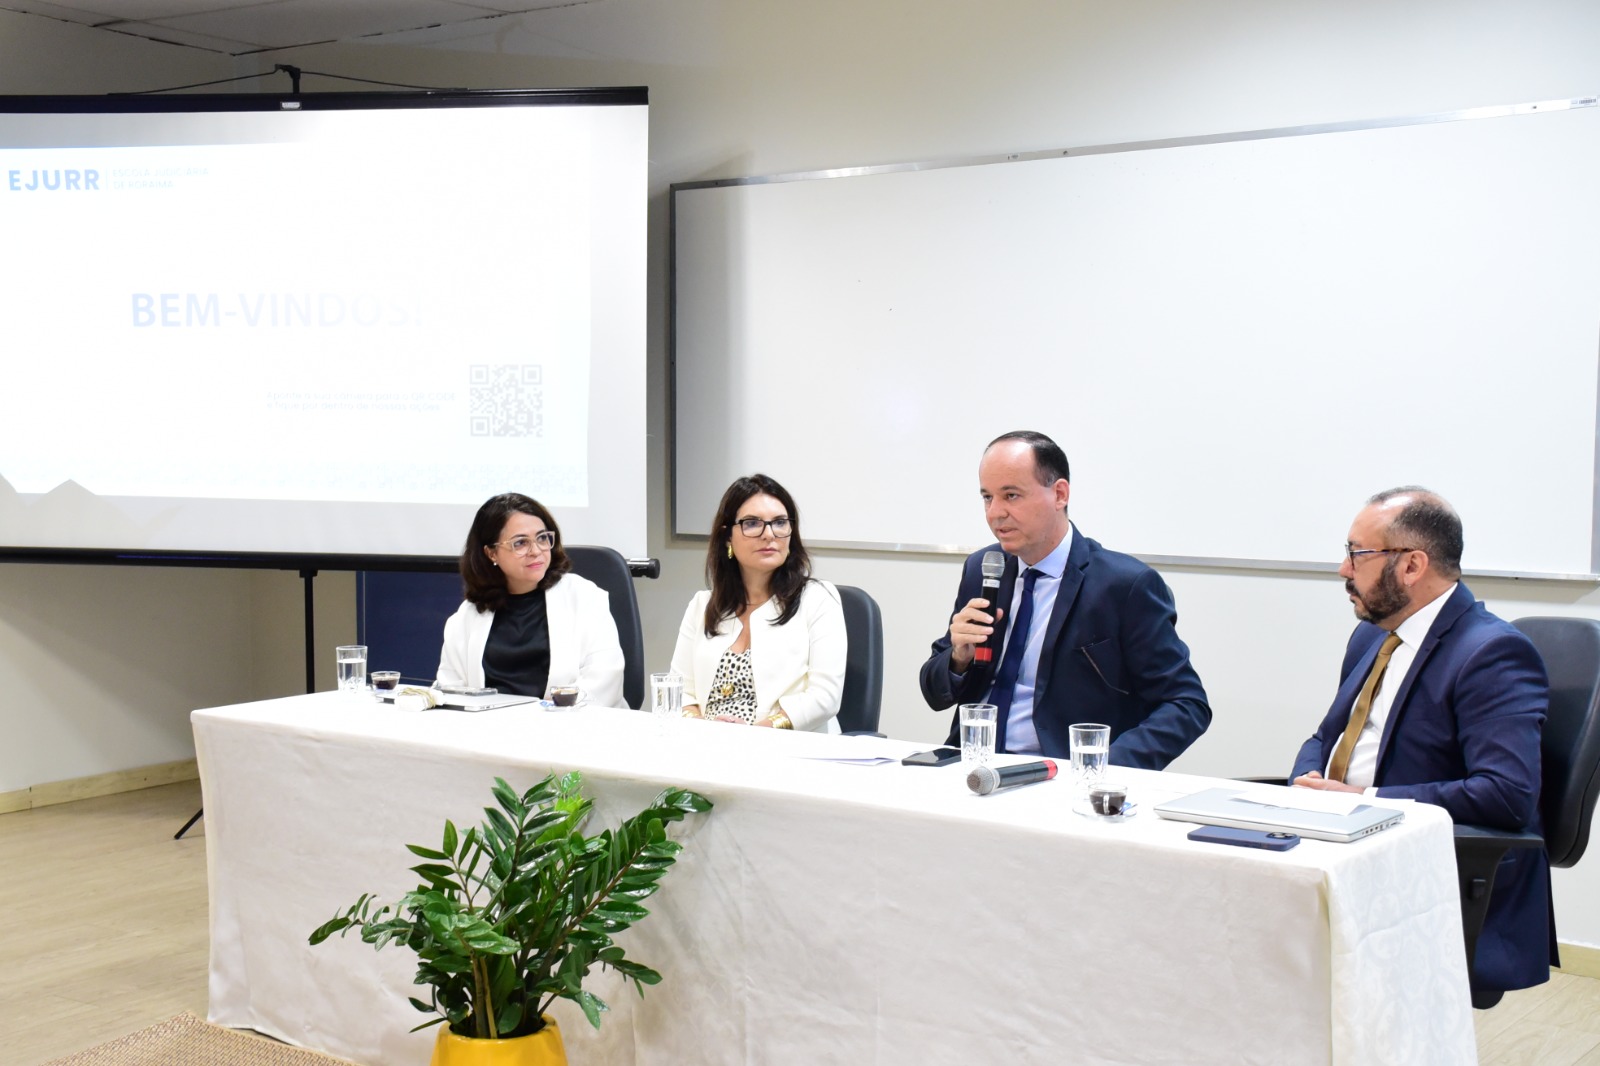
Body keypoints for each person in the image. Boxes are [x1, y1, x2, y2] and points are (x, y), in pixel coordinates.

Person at [1291, 487, 1555, 993]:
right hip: (1343, 847)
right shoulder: (1374, 634)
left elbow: (1506, 794)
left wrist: (1363, 803)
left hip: (1420, 872)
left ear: (1412, 565)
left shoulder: (1492, 653)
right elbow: (1327, 736)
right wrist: (1305, 782)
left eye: (1357, 554)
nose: (1344, 570)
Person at [918, 430, 1210, 767]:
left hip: (1060, 775)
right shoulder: (984, 569)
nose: (995, 513)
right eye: (987, 497)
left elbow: (1186, 703)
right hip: (971, 764)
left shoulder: (1124, 585)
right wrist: (958, 658)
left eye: (1011, 496)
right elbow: (934, 692)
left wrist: (1102, 765)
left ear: (1059, 494)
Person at [671, 474, 847, 731]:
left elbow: (825, 698)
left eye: (779, 523)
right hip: (708, 747)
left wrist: (755, 734)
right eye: (752, 523)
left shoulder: (818, 599)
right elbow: (679, 693)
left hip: (788, 750)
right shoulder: (702, 605)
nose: (769, 534)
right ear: (727, 537)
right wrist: (706, 732)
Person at [436, 492, 625, 707]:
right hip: (490, 733)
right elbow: (450, 690)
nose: (536, 551)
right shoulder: (467, 616)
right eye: (520, 543)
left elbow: (605, 677)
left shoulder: (584, 597)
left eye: (542, 538)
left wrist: (543, 718)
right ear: (491, 553)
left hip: (568, 729)